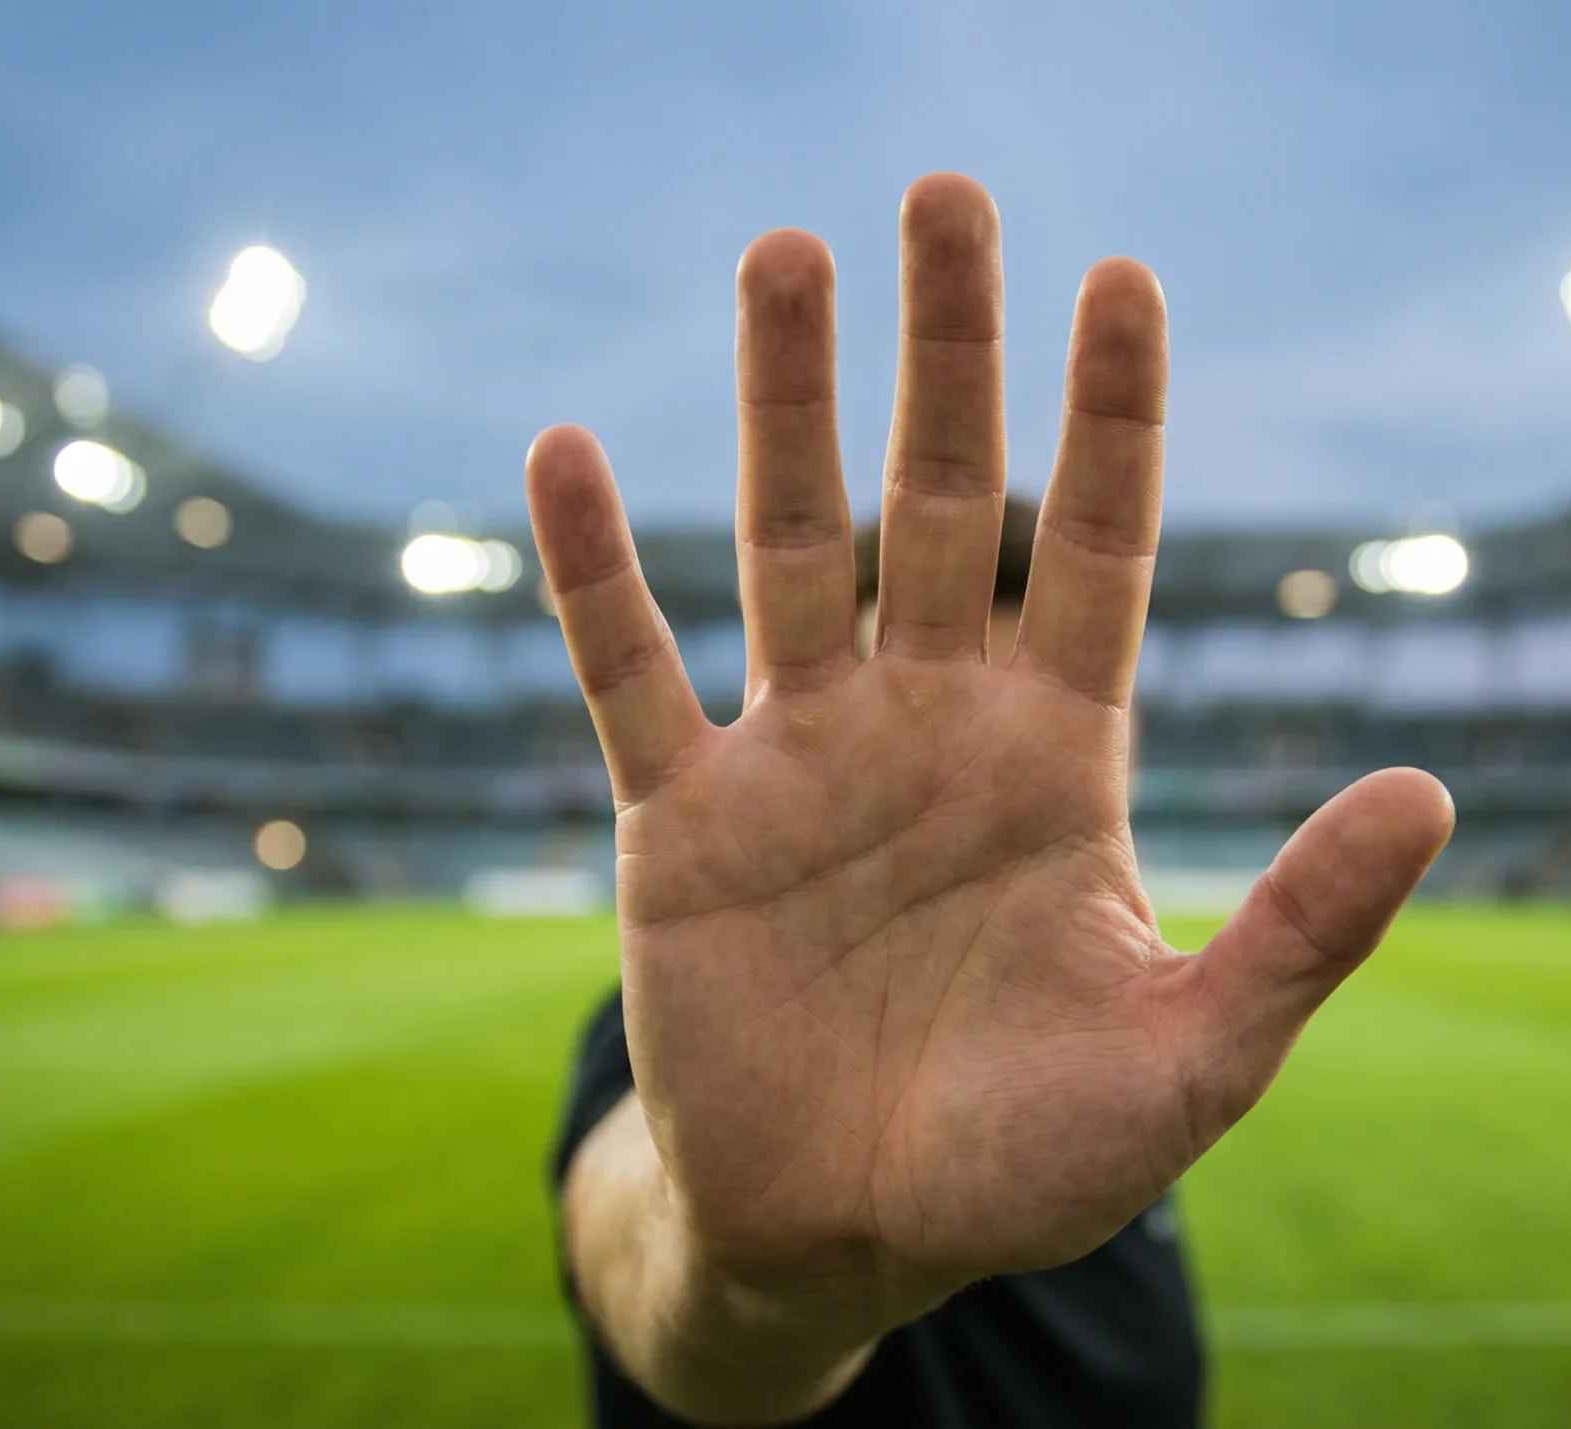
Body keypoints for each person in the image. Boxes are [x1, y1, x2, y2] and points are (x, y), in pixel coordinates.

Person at [530, 172, 1454, 1427]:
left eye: (1019, 729)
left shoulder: (1133, 1044)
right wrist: (755, 1285)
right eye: (896, 727)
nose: (947, 806)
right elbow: (636, 1261)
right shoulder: (656, 1035)